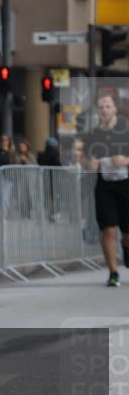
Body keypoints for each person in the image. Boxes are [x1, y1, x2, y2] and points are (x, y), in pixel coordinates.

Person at [80, 92, 129, 287]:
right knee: (108, 229)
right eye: (101, 107)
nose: (104, 110)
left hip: (126, 185)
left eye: (108, 106)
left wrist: (125, 161)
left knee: (127, 234)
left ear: (115, 108)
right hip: (105, 186)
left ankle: (126, 249)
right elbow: (83, 158)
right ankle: (113, 272)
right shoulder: (93, 135)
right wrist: (89, 164)